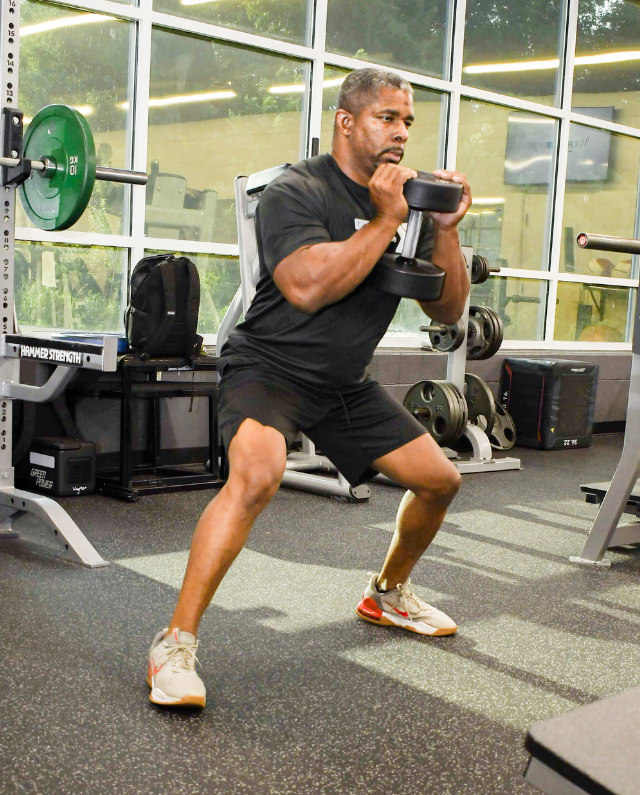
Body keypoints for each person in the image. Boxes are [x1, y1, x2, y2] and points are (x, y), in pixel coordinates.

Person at [147, 67, 472, 708]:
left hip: (343, 382)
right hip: (269, 366)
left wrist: (448, 230)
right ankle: (174, 644)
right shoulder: (297, 190)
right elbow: (304, 287)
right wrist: (385, 220)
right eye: (387, 117)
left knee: (440, 480)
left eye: (408, 120)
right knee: (259, 472)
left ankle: (387, 594)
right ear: (346, 123)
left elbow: (448, 310)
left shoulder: (412, 199)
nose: (402, 132)